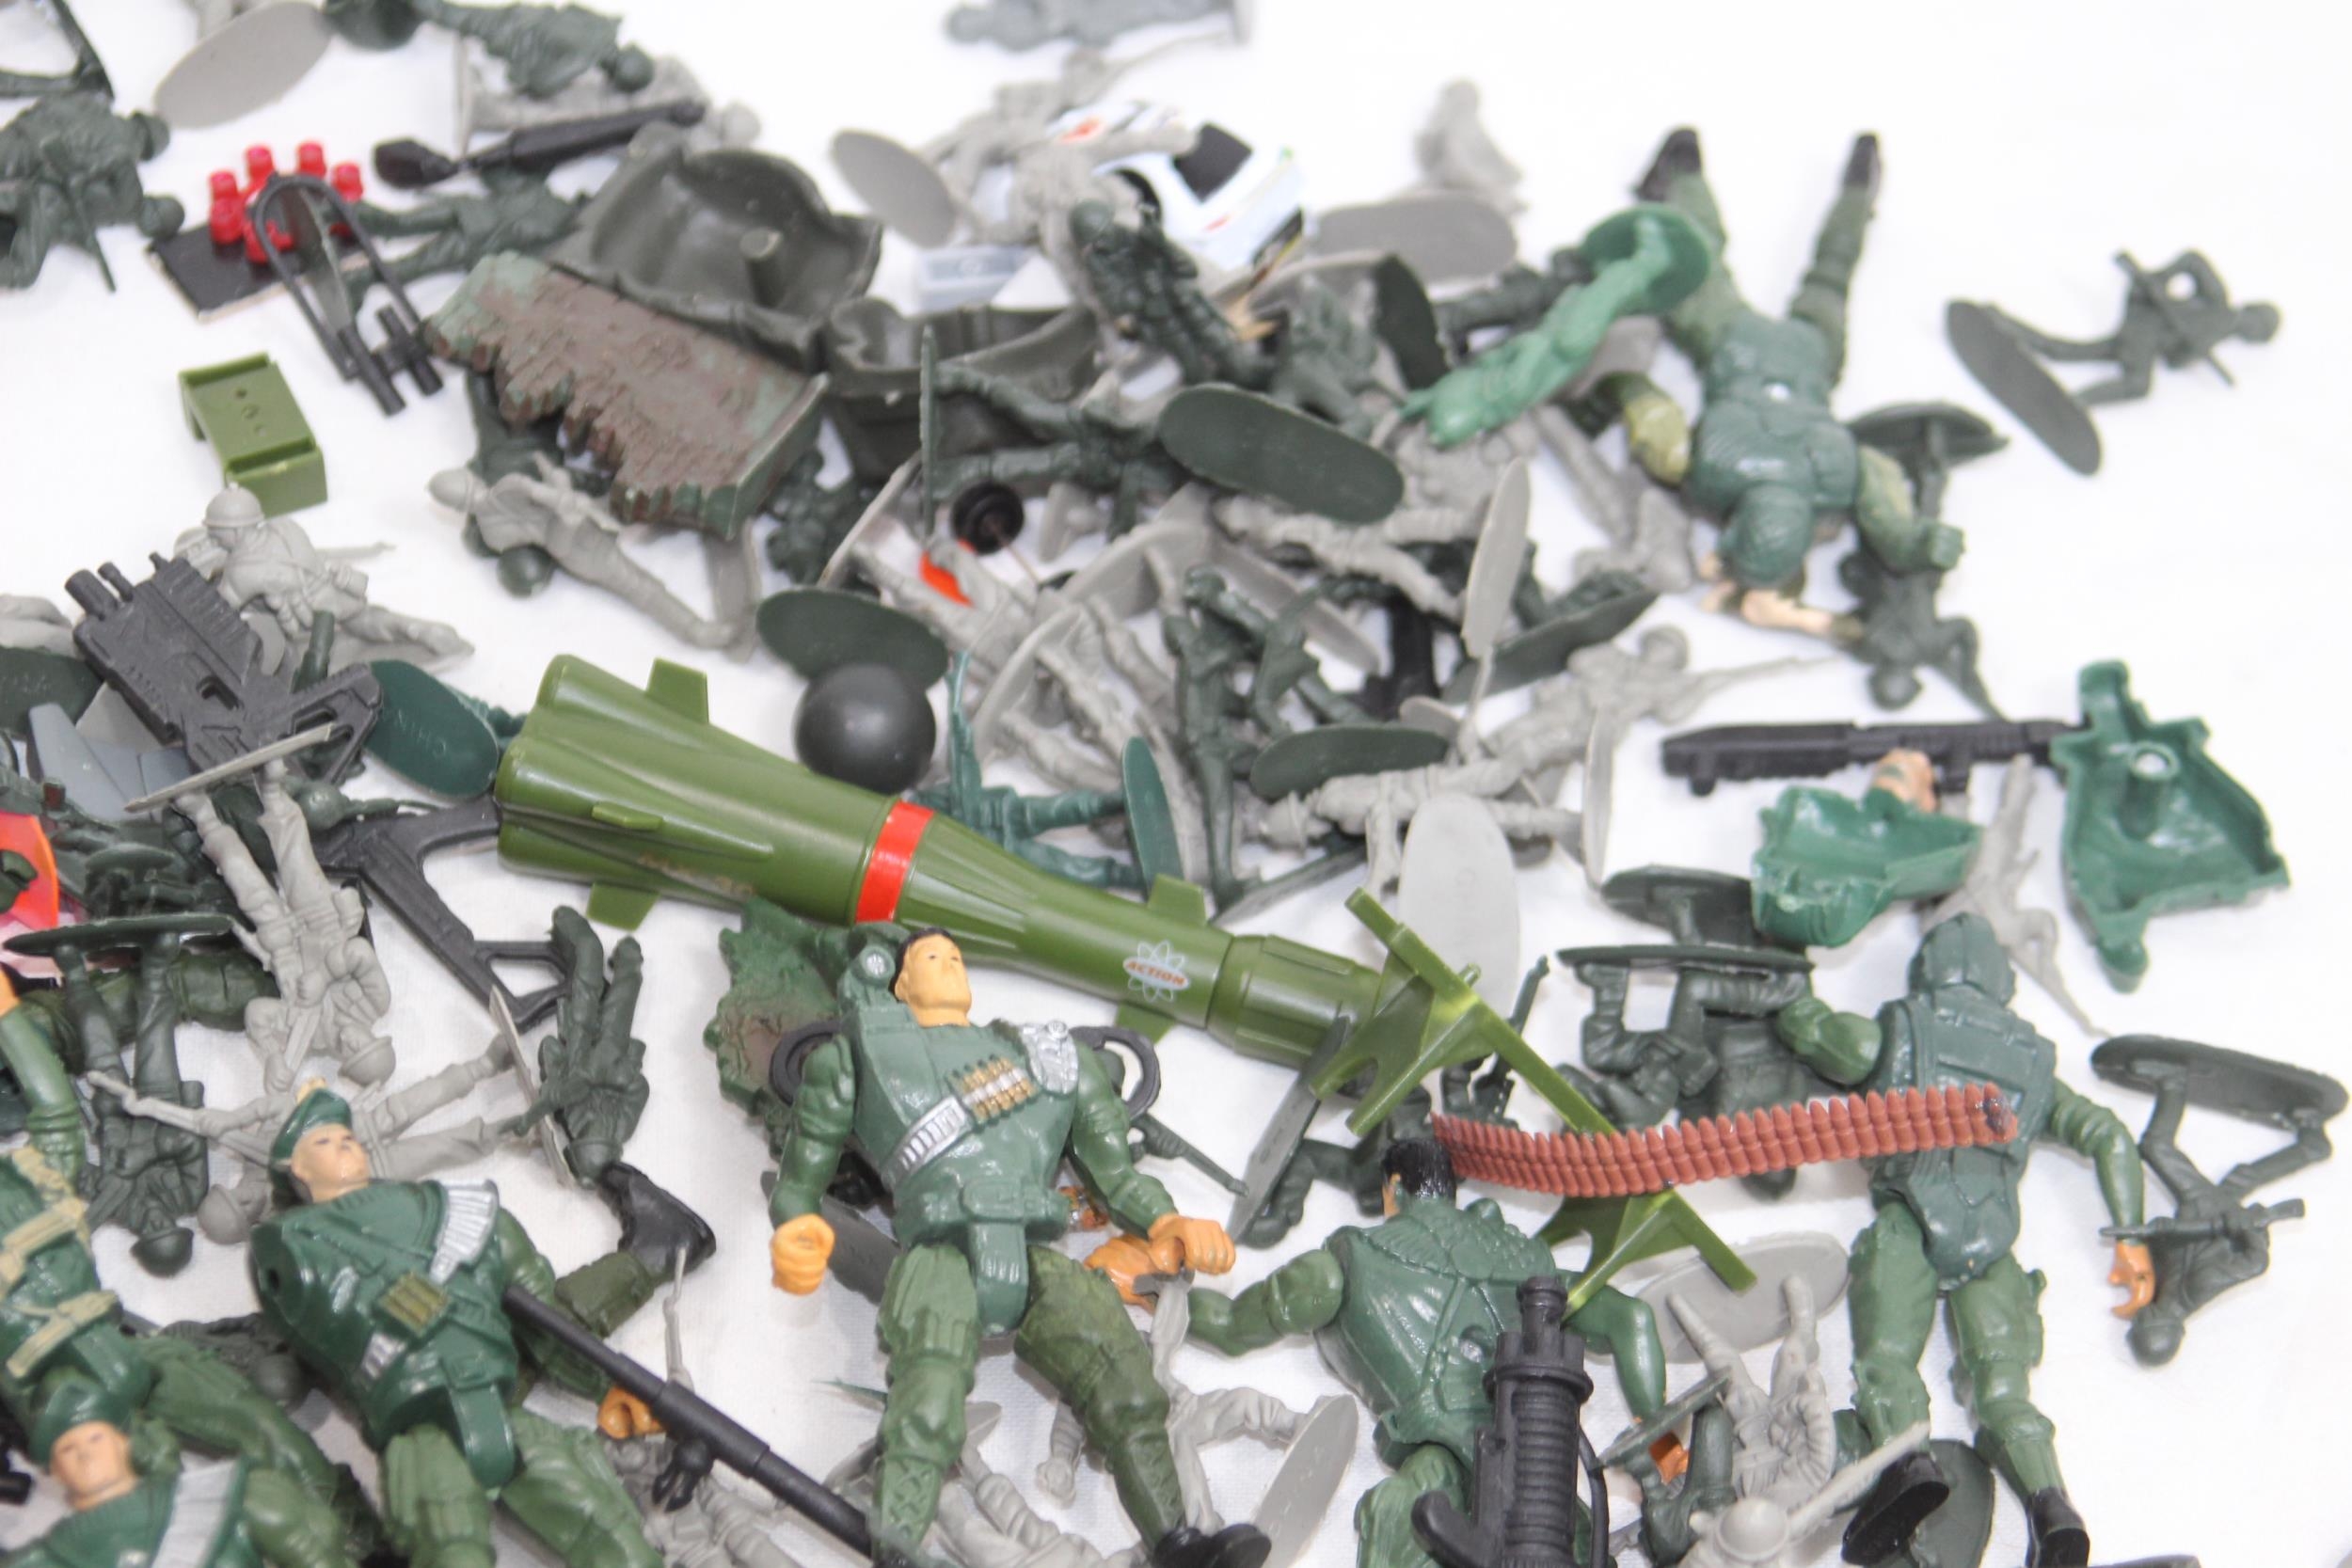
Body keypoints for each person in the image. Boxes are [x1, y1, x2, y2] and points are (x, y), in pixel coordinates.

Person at [768, 929, 1267, 1568]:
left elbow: (1116, 1178)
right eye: (930, 957)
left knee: (1125, 1380)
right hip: (940, 1248)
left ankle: (1180, 1543)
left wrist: (1168, 1221)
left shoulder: (1045, 1057)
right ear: (900, 982)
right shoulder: (856, 1057)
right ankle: (896, 1546)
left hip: (1034, 1247)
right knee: (927, 1398)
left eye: (956, 956)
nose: (949, 963)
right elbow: (800, 1177)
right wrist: (798, 1227)